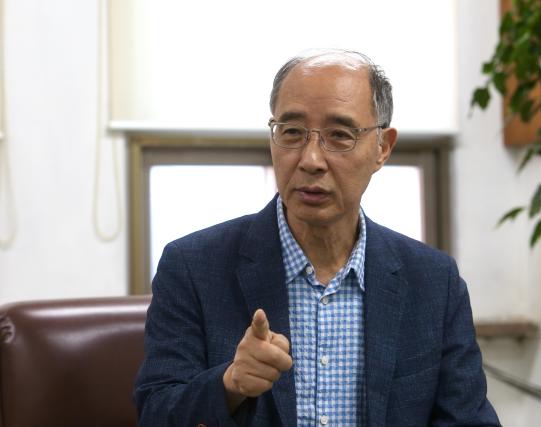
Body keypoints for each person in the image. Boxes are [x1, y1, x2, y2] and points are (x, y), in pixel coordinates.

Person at [134, 49, 500, 427]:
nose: (310, 159)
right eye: (292, 133)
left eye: (339, 136)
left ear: (382, 147)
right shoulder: (194, 267)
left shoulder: (433, 282)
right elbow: (156, 412)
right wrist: (229, 385)